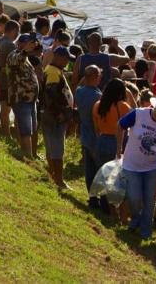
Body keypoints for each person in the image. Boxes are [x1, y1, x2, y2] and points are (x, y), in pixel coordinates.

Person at [117, 95, 156, 240]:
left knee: (150, 200)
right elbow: (120, 125)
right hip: (131, 164)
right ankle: (136, 218)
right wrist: (119, 148)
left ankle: (145, 231)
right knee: (133, 197)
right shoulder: (138, 113)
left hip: (153, 167)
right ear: (153, 107)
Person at [42, 46, 76, 189]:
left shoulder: (54, 70)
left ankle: (53, 176)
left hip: (51, 116)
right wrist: (59, 114)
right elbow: (50, 95)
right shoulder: (53, 73)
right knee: (57, 149)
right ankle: (59, 180)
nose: (67, 62)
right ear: (59, 57)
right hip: (54, 118)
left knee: (52, 148)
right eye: (66, 59)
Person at [8, 33, 41, 158]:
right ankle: (27, 156)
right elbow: (17, 59)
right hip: (21, 99)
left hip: (31, 100)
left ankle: (31, 155)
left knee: (32, 128)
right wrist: (25, 51)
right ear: (20, 43)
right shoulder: (13, 55)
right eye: (27, 43)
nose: (30, 45)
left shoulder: (27, 58)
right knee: (25, 129)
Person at [75, 65, 103, 206]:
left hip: (85, 134)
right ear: (96, 77)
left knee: (89, 169)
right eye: (99, 75)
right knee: (99, 169)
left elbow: (80, 85)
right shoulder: (98, 96)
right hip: (97, 136)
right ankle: (102, 199)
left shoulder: (79, 92)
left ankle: (92, 198)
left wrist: (85, 78)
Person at [0, 20, 19, 138]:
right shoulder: (10, 45)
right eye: (17, 31)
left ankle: (5, 133)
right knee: (6, 110)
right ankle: (7, 134)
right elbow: (11, 65)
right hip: (6, 81)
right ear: (14, 30)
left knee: (3, 108)